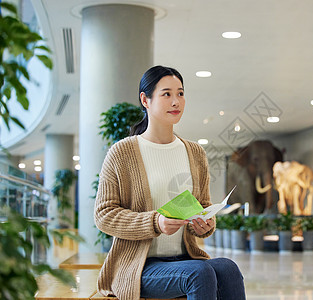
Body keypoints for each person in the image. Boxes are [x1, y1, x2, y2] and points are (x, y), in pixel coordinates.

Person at [94, 65, 246, 300]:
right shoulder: (122, 152)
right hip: (139, 266)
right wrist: (156, 222)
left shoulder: (195, 152)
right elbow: (103, 215)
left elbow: (203, 205)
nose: (176, 101)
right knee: (200, 273)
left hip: (186, 260)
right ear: (145, 100)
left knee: (228, 268)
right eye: (167, 94)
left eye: (181, 93)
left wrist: (204, 223)